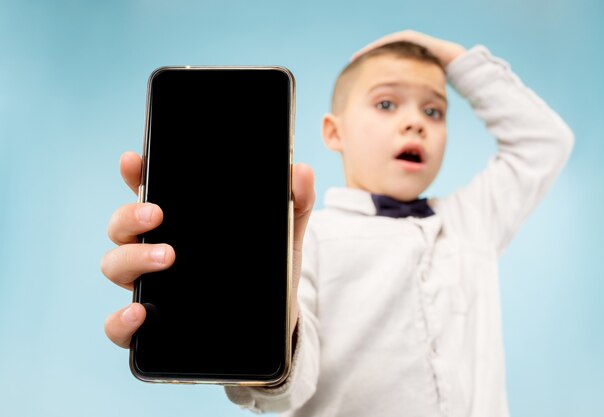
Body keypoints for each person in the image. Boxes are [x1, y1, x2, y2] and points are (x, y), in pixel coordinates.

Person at [101, 30, 574, 417]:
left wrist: (449, 57)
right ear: (333, 132)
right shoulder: (307, 239)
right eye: (387, 104)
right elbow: (289, 391)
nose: (415, 122)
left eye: (434, 109)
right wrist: (261, 339)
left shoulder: (474, 221)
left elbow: (545, 141)